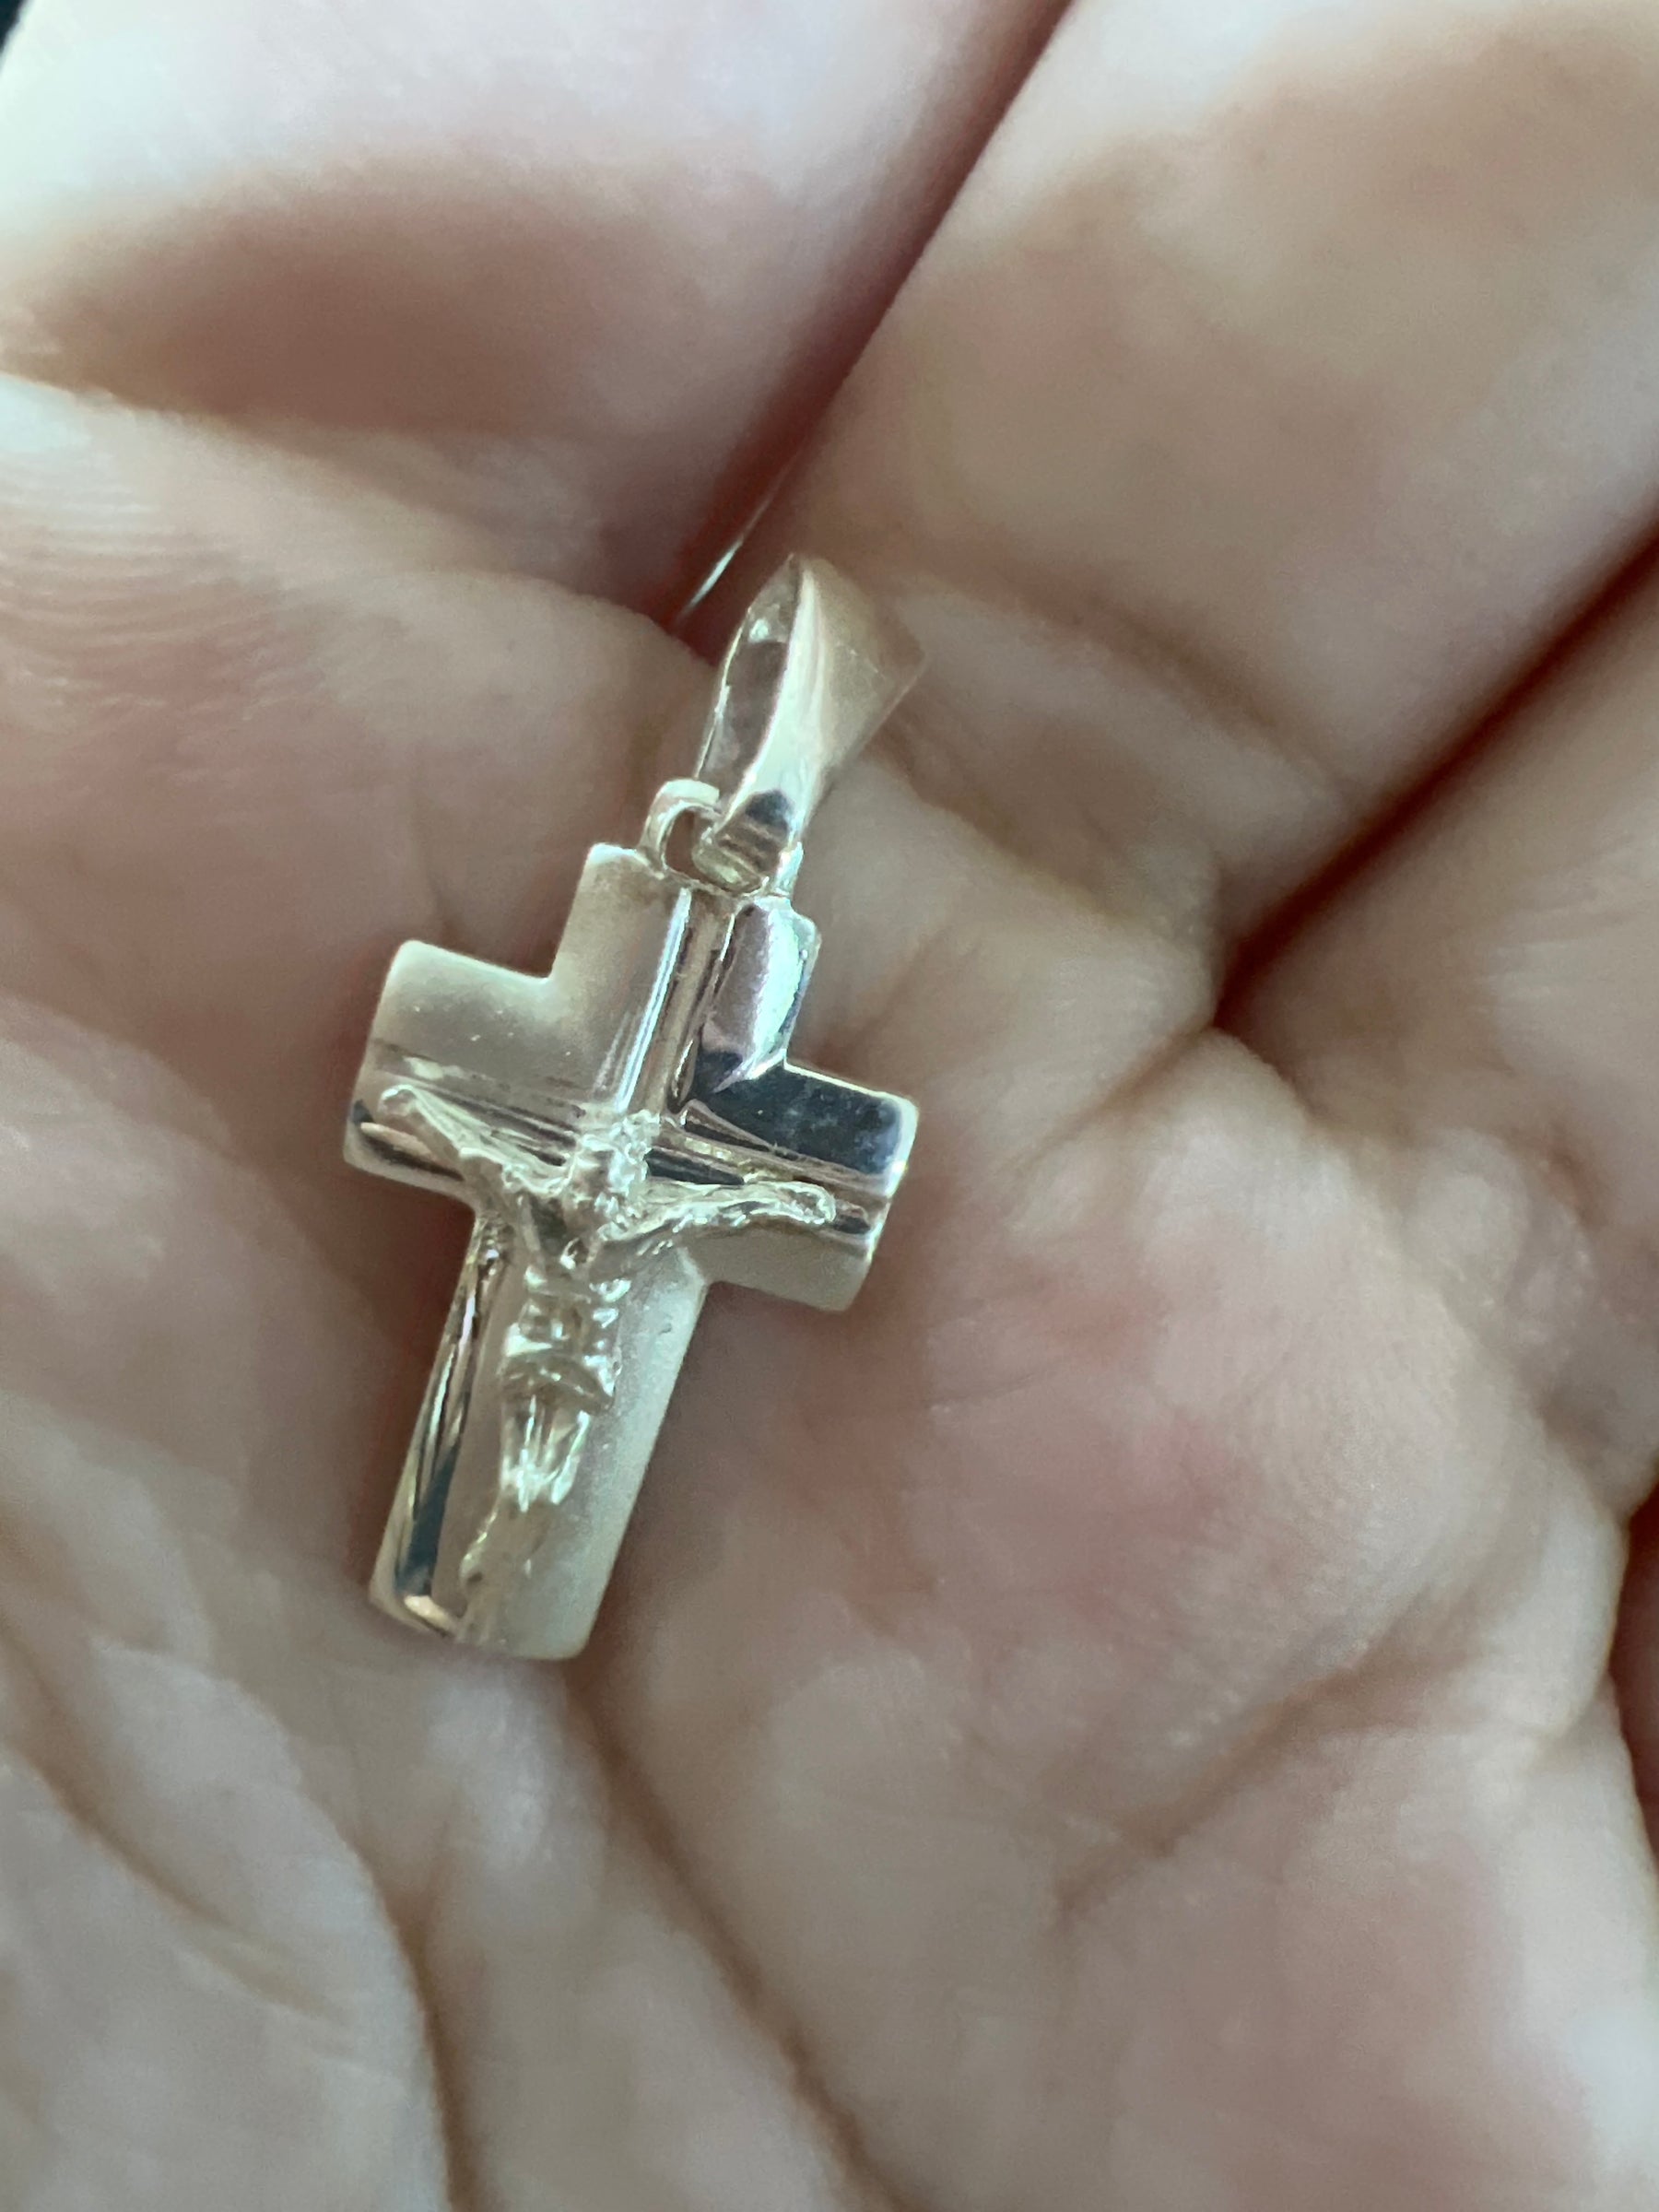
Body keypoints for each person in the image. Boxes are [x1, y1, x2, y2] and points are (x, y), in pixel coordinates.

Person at [0, 1, 1655, 2206]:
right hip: (545, 1289)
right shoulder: (552, 1114)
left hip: (597, 1273)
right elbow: (482, 1117)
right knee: (547, 1353)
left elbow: (760, 1188)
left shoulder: (693, 1145)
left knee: (564, 1365)